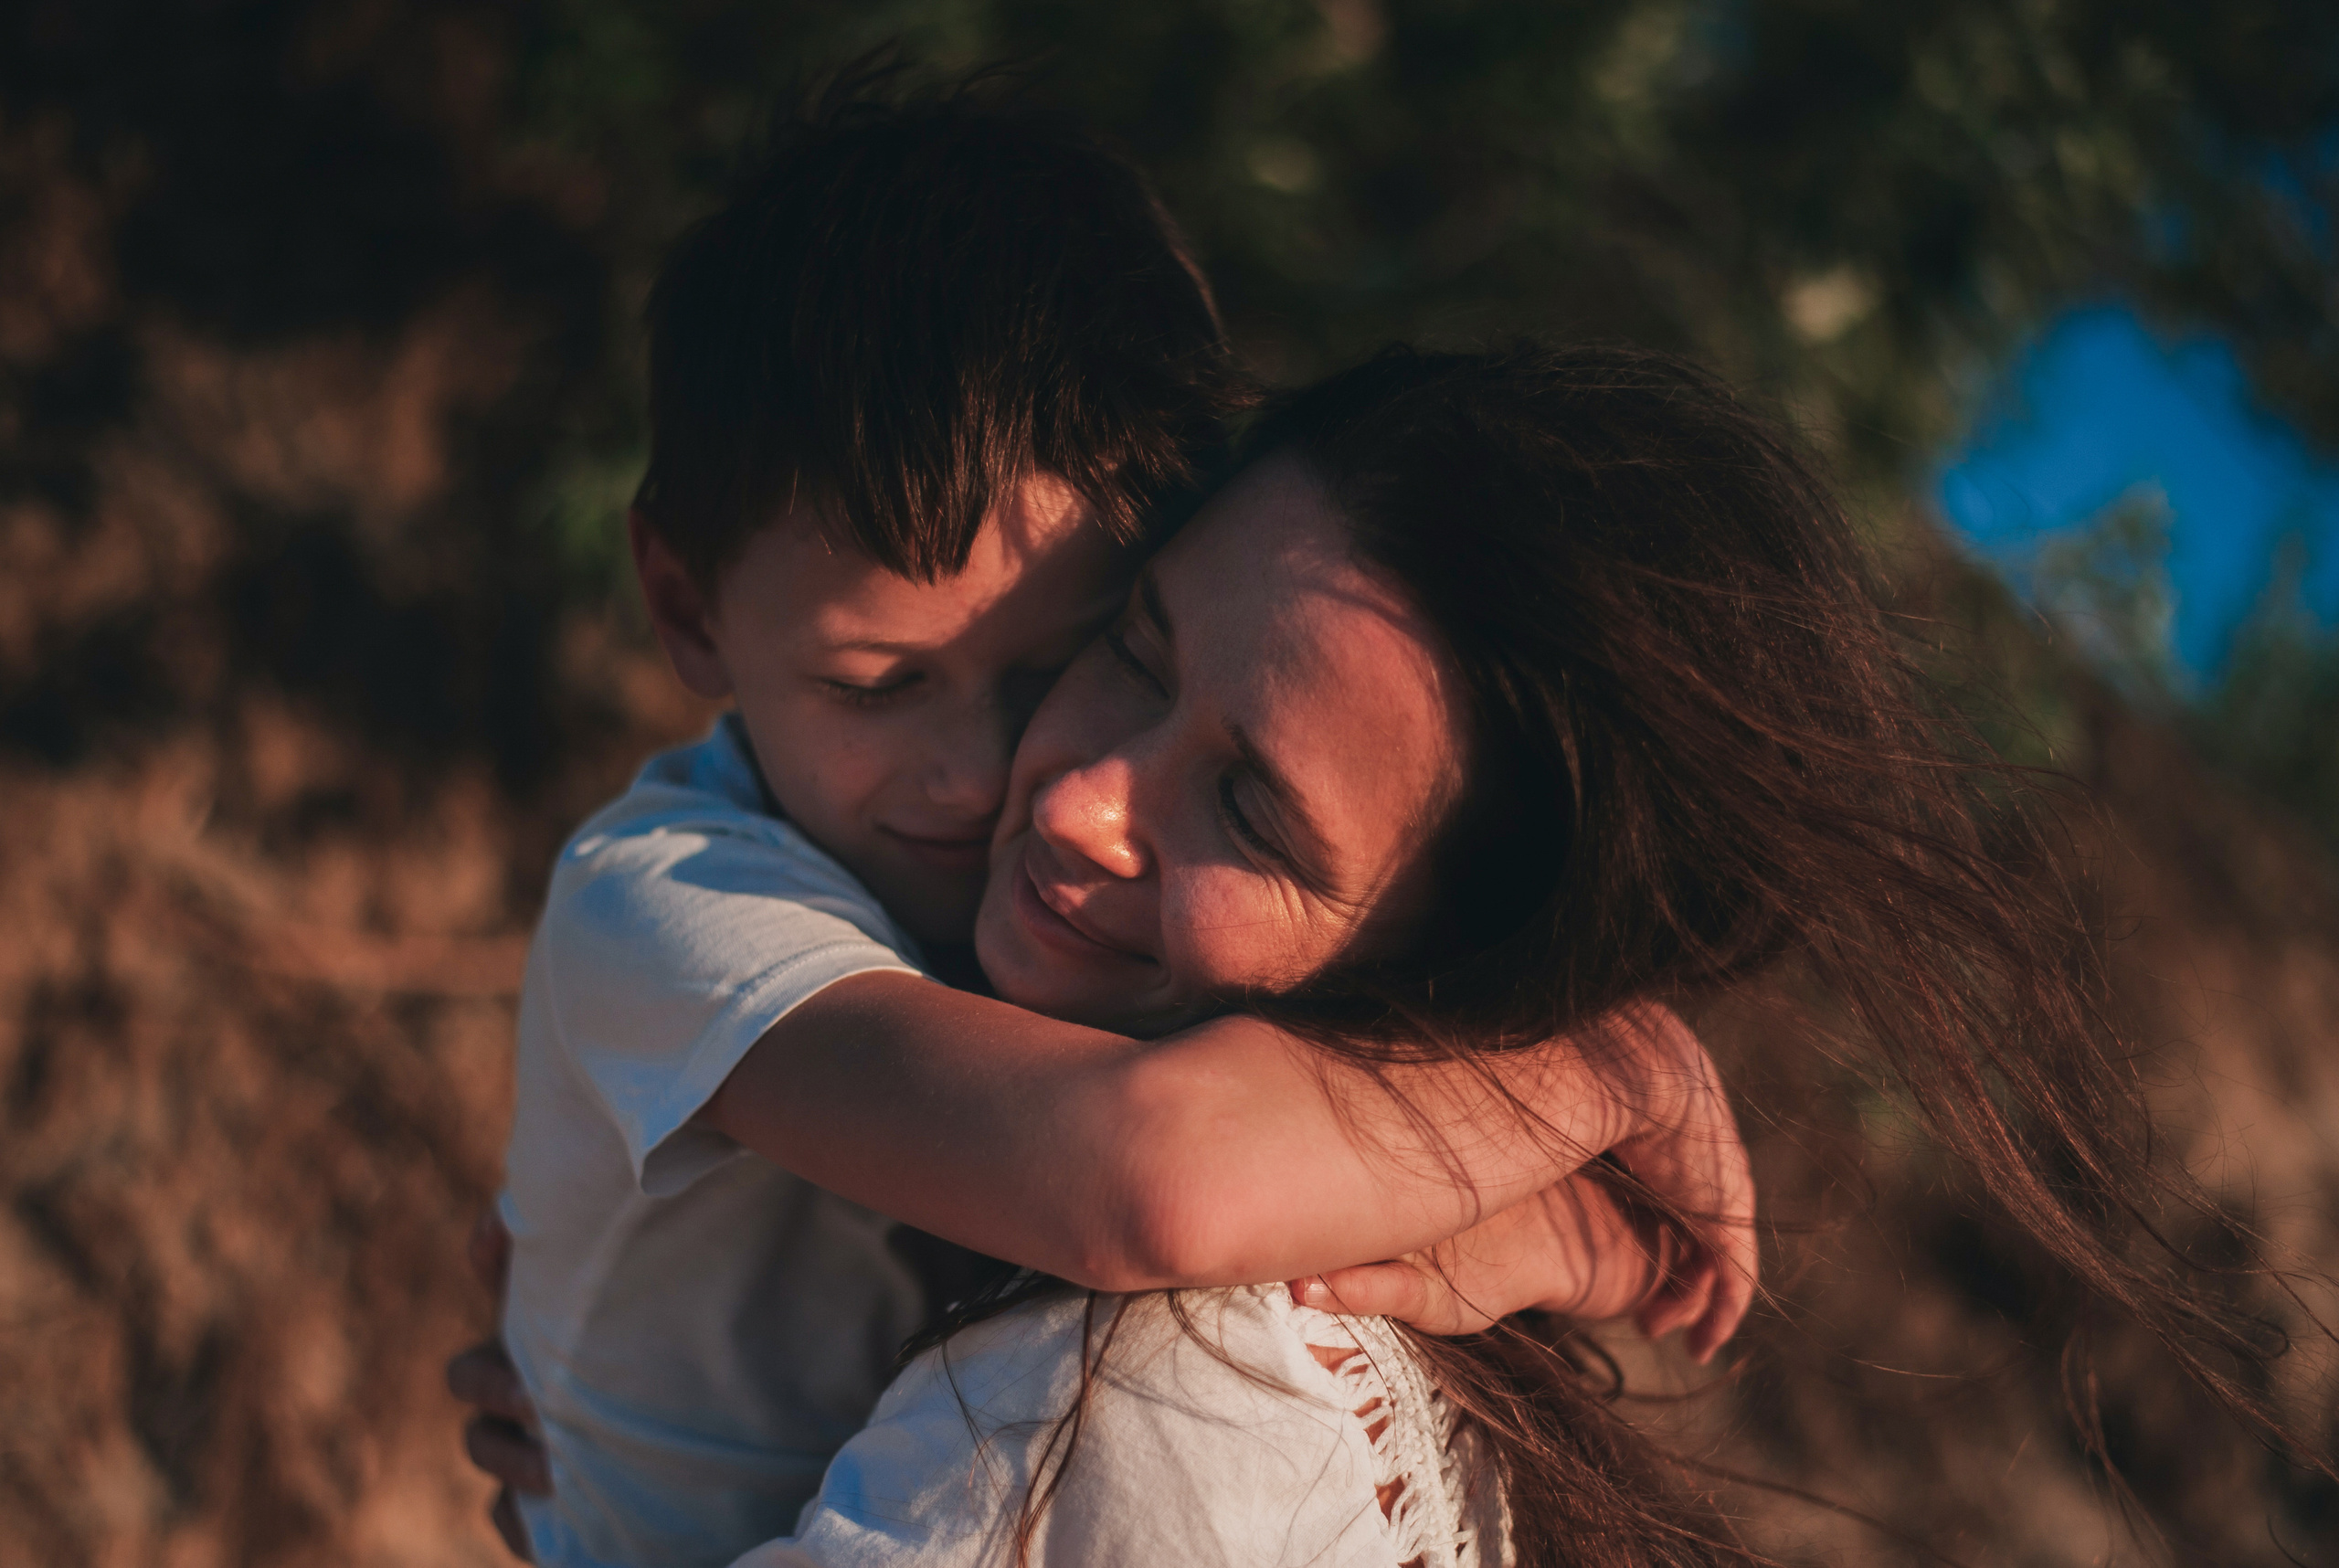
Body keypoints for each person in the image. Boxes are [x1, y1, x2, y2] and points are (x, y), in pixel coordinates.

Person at [715, 341, 2331, 1567]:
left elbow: (1146, 1173)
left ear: (1456, 981)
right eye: (1136, 652)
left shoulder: (1156, 1404)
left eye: (1253, 818)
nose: (1074, 799)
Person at [483, 64, 1755, 1568]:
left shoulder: (1030, 910)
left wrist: (1523, 1233)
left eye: (1060, 659)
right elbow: (1141, 1174)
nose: (979, 775)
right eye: (880, 683)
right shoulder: (667, 899)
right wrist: (1598, 1065)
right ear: (687, 611)